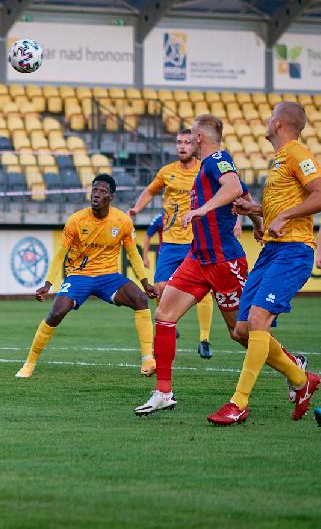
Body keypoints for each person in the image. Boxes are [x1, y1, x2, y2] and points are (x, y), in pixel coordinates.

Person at [133, 113, 292, 417]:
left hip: (224, 260)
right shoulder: (209, 165)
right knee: (164, 315)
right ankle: (163, 393)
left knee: (241, 332)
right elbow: (242, 192)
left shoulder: (216, 159)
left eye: (190, 135)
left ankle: (294, 366)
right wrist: (258, 223)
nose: (187, 141)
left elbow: (233, 188)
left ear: (200, 138)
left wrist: (201, 210)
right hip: (199, 257)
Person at [208, 102, 320, 425]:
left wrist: (284, 216)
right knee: (242, 329)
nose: (267, 121)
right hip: (271, 251)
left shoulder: (298, 153)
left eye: (271, 116)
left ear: (280, 123)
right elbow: (286, 204)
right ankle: (301, 379)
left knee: (258, 321)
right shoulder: (280, 160)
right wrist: (255, 209)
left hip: (293, 251)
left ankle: (238, 403)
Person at [15, 173, 157, 378]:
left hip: (108, 276)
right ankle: (29, 364)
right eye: (94, 190)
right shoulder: (76, 220)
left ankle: (147, 360)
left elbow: (133, 253)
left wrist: (145, 282)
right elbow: (60, 254)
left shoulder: (122, 221)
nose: (96, 194)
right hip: (78, 276)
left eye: (102, 191)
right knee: (57, 312)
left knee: (140, 299)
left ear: (111, 197)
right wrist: (47, 284)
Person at [128, 129, 215, 358]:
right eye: (179, 142)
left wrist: (234, 221)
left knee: (204, 290)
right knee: (159, 288)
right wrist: (136, 209)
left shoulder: (204, 169)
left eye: (187, 142)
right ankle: (169, 322)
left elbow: (224, 192)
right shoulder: (167, 172)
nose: (182, 146)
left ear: (195, 145)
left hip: (195, 240)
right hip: (170, 242)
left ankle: (204, 339)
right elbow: (150, 190)